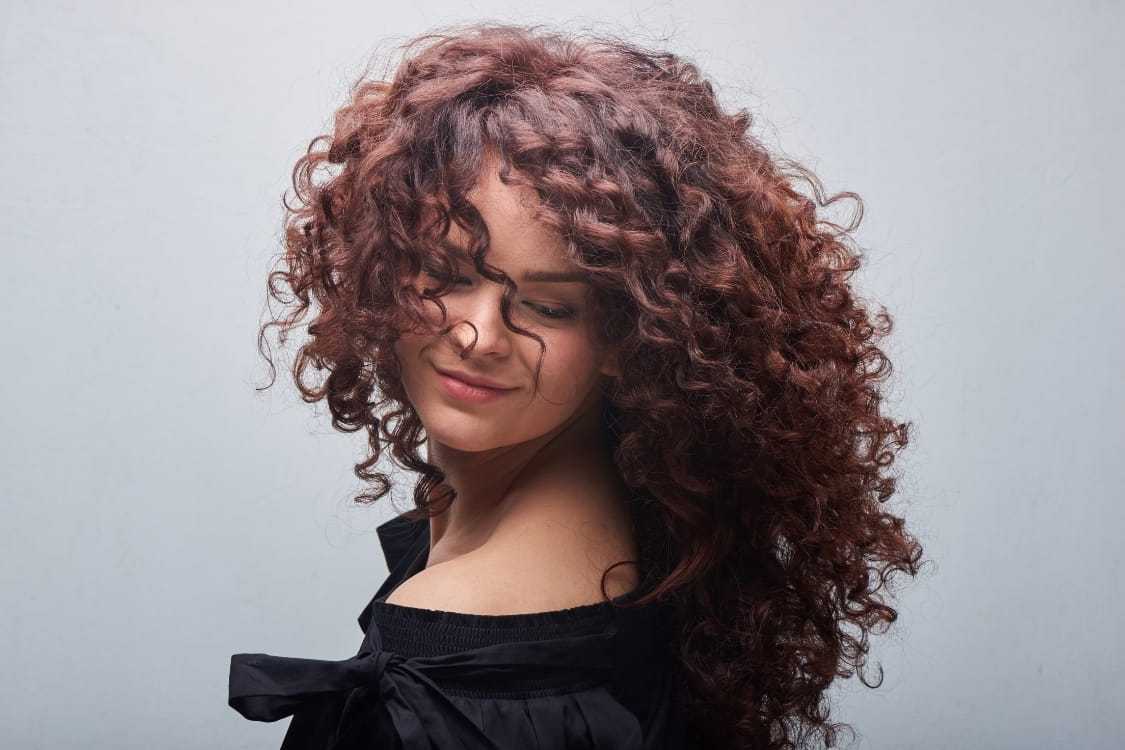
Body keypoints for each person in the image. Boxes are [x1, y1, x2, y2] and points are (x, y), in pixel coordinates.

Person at [228, 22, 925, 750]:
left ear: (630, 338)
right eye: (447, 273)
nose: (477, 335)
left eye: (549, 307)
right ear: (384, 267)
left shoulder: (458, 654)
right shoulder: (633, 523)